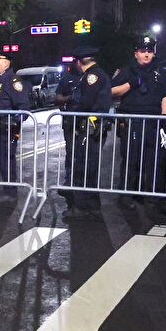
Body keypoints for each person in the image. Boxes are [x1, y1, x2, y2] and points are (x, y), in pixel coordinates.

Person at [110, 41, 166, 201]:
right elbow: (112, 91)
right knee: (132, 159)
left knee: (153, 160)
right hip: (133, 122)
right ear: (136, 53)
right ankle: (127, 195)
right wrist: (131, 84)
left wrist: (164, 116)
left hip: (153, 123)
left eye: (149, 51)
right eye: (143, 51)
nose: (146, 54)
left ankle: (150, 194)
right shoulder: (126, 71)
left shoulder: (161, 72)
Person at [66, 45, 113, 215]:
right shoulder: (98, 74)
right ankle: (91, 204)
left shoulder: (92, 76)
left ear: (79, 62)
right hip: (93, 127)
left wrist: (72, 111)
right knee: (89, 166)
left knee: (84, 167)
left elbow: (86, 102)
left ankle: (83, 206)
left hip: (89, 128)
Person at [0, 52, 31, 201]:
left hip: (6, 129)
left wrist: (13, 122)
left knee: (6, 159)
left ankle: (10, 192)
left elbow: (24, 108)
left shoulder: (13, 81)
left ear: (6, 63)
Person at [53, 57, 85, 205]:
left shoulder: (89, 77)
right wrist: (69, 98)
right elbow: (57, 97)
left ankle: (83, 185)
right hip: (71, 122)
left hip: (87, 123)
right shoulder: (68, 78)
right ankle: (70, 181)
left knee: (85, 155)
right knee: (71, 153)